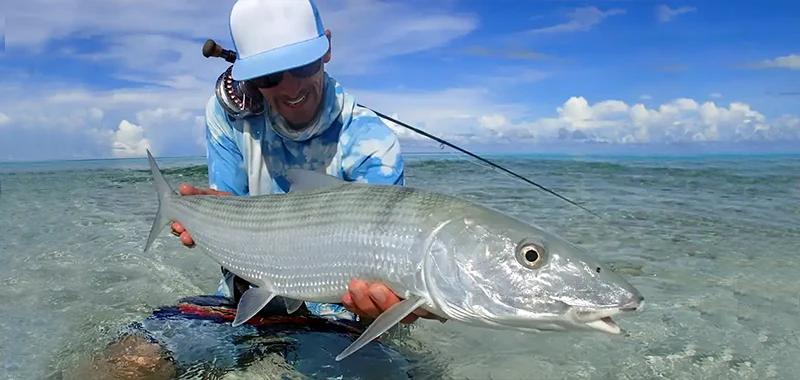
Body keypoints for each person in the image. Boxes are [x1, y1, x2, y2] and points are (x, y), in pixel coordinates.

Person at [69, 0, 442, 378]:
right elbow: (232, 209)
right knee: (125, 364)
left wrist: (394, 303)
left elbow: (384, 282)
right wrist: (212, 217)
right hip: (242, 303)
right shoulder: (228, 115)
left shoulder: (372, 143)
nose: (291, 88)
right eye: (270, 77)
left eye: (303, 66)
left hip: (339, 321)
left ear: (327, 48)